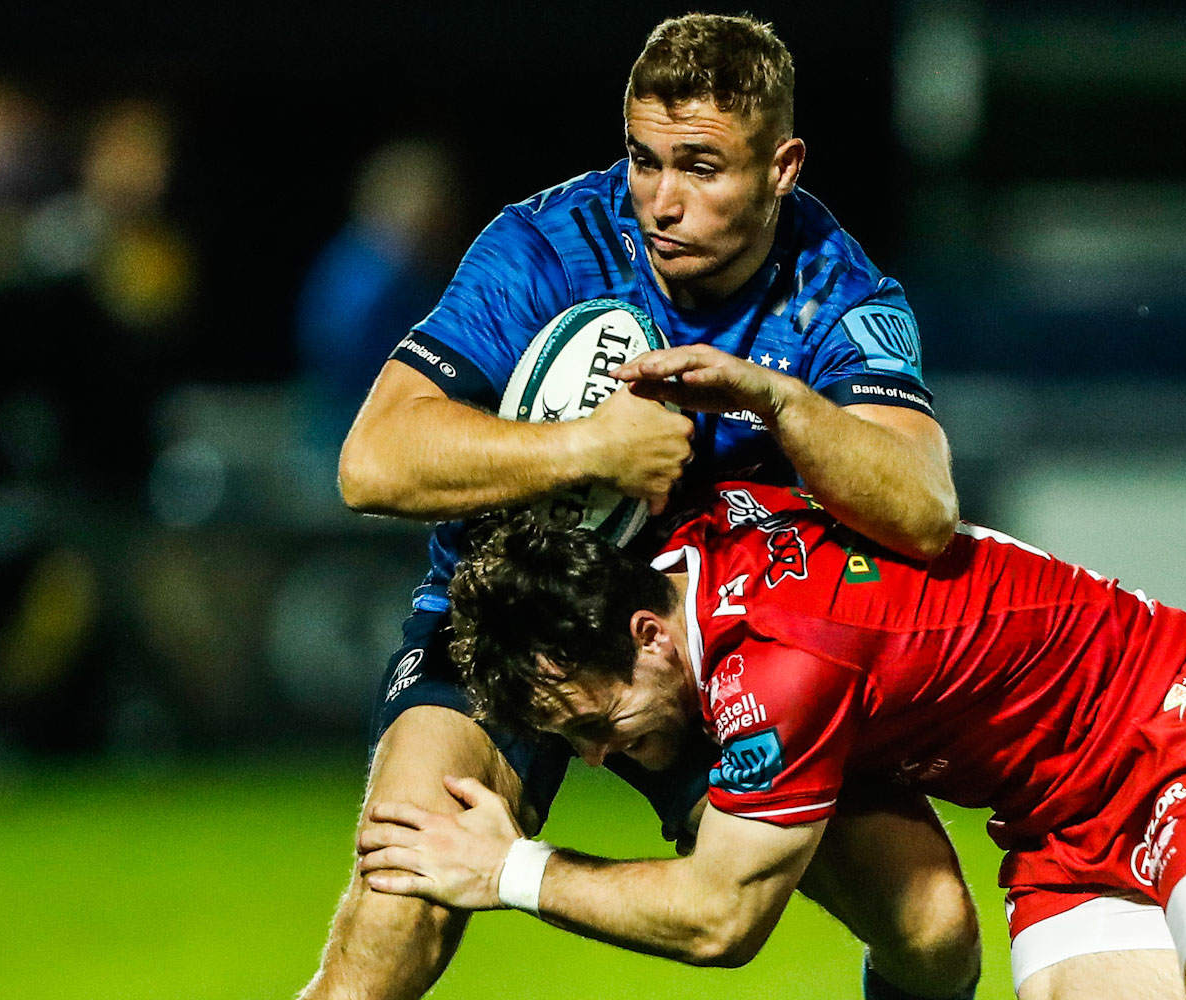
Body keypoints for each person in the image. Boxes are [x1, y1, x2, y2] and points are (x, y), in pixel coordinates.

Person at [302, 15, 978, 1000]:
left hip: (708, 658)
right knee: (397, 902)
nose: (661, 201)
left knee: (933, 929)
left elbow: (922, 509)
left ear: (781, 166)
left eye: (700, 167)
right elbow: (371, 462)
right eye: (644, 159)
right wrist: (588, 448)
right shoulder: (547, 244)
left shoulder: (835, 296)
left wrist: (776, 399)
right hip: (506, 618)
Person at [357, 483, 1186, 1000]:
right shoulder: (703, 556)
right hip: (1060, 822)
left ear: (646, 636)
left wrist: (506, 869)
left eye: (595, 727)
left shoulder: (775, 668)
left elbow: (721, 919)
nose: (608, 760)